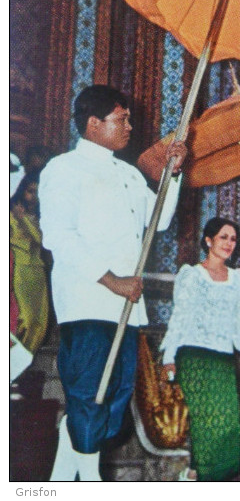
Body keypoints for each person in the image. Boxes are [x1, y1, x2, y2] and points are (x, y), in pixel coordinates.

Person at [39, 84, 187, 482]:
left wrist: (173, 175)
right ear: (93, 123)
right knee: (92, 393)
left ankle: (57, 482)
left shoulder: (127, 174)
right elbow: (57, 236)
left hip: (127, 306)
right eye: (121, 119)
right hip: (88, 301)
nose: (129, 126)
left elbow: (159, 220)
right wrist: (111, 280)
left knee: (114, 400)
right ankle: (90, 483)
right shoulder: (64, 169)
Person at [160, 217, 240, 482]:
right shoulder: (192, 275)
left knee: (226, 420)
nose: (229, 243)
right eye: (223, 237)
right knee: (206, 419)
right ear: (208, 241)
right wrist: (169, 356)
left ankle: (194, 475)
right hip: (193, 356)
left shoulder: (239, 279)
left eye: (233, 239)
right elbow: (180, 316)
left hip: (222, 357)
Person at [10, 170, 50, 355]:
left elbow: (44, 240)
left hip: (38, 271)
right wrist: (22, 219)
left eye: (37, 192)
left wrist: (25, 219)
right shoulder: (11, 214)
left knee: (39, 321)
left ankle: (21, 365)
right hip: (20, 270)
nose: (34, 197)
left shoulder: (42, 216)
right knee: (23, 318)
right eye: (30, 191)